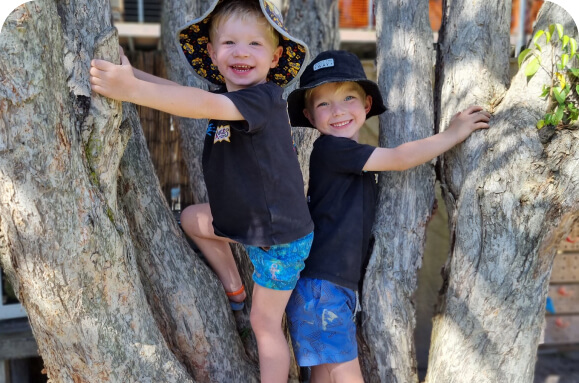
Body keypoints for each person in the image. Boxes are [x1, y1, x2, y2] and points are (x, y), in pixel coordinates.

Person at [90, 1, 313, 381]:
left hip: (279, 240)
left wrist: (129, 91)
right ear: (211, 52)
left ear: (276, 58)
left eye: (255, 45)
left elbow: (198, 104)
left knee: (264, 324)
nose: (241, 52)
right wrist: (133, 75)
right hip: (245, 223)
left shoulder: (263, 99)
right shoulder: (230, 99)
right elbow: (180, 91)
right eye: (229, 42)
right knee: (193, 219)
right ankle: (235, 287)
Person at [284, 50, 491, 383]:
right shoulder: (333, 150)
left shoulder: (351, 163)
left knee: (324, 376)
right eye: (324, 104)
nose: (337, 111)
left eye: (348, 98)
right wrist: (453, 134)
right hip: (323, 290)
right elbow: (398, 157)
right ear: (309, 116)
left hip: (320, 287)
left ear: (366, 105)